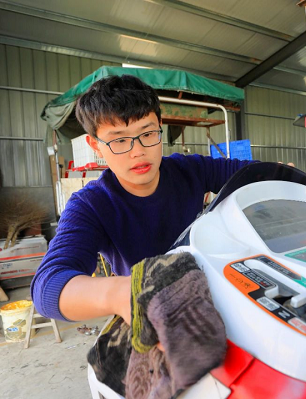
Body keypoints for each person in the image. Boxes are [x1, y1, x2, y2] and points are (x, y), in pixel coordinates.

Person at [31, 75, 254, 325]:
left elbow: (253, 173)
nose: (138, 151)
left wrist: (283, 174)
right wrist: (122, 293)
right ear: (95, 144)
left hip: (206, 294)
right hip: (146, 313)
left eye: (147, 133)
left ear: (160, 124)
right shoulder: (90, 205)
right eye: (119, 140)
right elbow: (47, 287)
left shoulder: (191, 169)